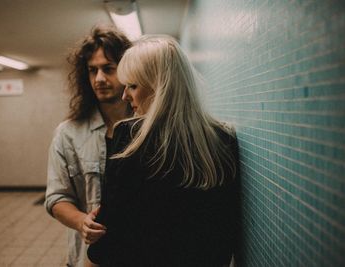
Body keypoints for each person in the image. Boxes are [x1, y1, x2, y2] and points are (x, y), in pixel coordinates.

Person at [87, 35, 241, 267]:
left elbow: (111, 232)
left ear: (160, 87)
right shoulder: (223, 138)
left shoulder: (130, 136)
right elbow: (224, 228)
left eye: (133, 86)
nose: (125, 96)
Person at [44, 25, 132, 267]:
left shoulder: (148, 127)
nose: (100, 79)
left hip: (139, 251)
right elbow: (56, 197)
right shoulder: (68, 134)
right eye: (93, 71)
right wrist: (81, 221)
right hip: (89, 255)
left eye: (108, 69)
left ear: (128, 71)